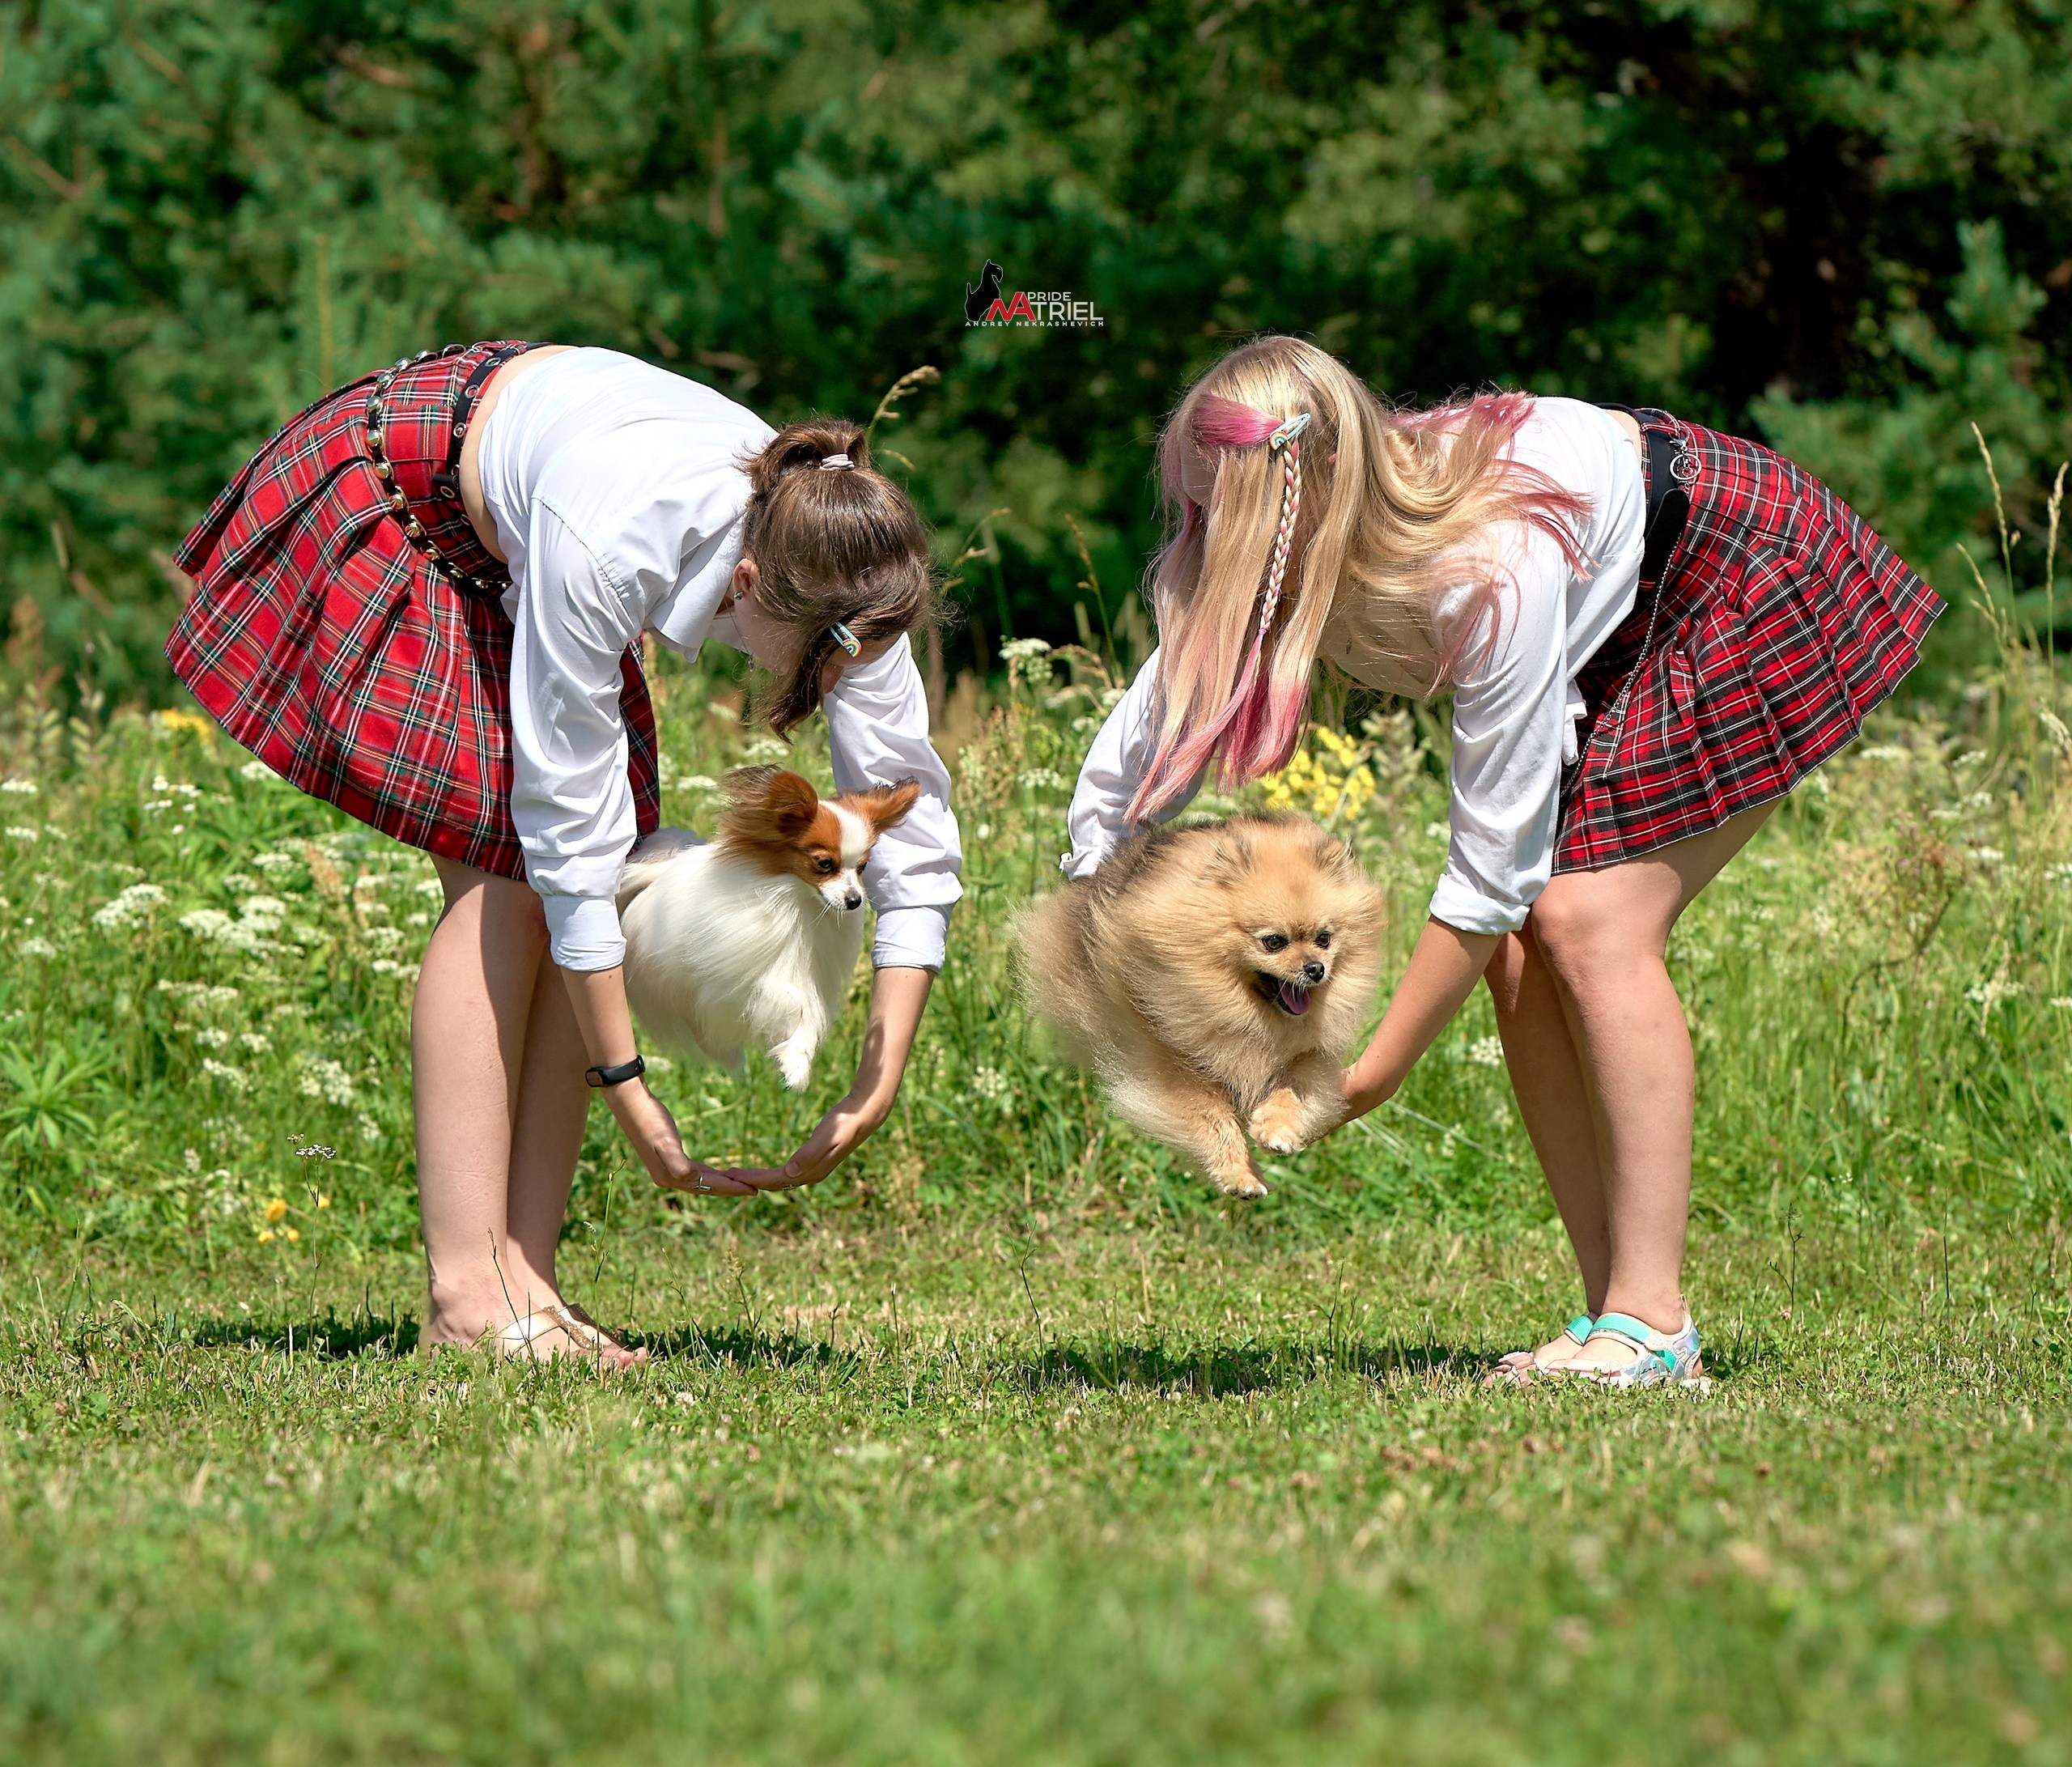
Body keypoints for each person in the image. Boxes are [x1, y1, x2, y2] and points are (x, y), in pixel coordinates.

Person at [1064, 334, 1939, 1387]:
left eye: (1225, 524)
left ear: (1298, 503)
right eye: (1197, 519)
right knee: (1531, 946)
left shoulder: (1489, 567)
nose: (1204, 548)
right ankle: (1620, 1313)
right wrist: (1100, 918)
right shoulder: (1294, 534)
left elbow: (1491, 873)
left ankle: (1653, 1319)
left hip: (1740, 563)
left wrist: (1368, 1070)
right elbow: (1155, 726)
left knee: (1588, 919)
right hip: (1627, 592)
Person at [168, 342, 962, 1365]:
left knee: (560, 882)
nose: (824, 688)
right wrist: (628, 1086)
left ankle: (524, 1282)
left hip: (523, 522)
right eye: (815, 663)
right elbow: (567, 840)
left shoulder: (853, 578)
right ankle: (466, 1294)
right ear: (751, 580)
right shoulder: (612, 540)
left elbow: (913, 817)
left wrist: (880, 1067)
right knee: (508, 880)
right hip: (401, 494)